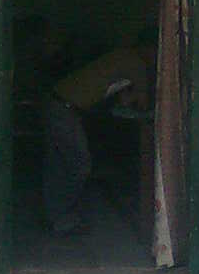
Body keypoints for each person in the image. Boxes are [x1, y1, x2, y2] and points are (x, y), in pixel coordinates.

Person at [43, 40, 152, 235]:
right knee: (79, 164)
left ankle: (55, 216)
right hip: (67, 110)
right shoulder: (137, 64)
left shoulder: (120, 54)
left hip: (57, 102)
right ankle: (63, 219)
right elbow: (141, 103)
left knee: (59, 164)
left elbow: (118, 93)